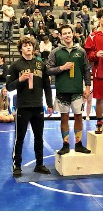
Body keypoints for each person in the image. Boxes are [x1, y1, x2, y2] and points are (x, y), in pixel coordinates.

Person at [6, 36, 53, 177]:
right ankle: (17, 166)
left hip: (38, 106)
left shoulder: (40, 64)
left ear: (33, 47)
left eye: (30, 45)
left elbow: (47, 86)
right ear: (21, 48)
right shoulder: (15, 66)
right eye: (25, 45)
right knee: (19, 137)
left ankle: (39, 164)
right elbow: (8, 87)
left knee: (39, 137)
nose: (28, 47)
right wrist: (20, 80)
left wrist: (49, 104)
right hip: (23, 107)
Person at [46, 24, 91, 155]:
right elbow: (48, 70)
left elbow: (86, 70)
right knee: (64, 117)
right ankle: (65, 144)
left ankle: (78, 144)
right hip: (62, 90)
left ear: (73, 34)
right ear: (60, 36)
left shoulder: (81, 51)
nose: (67, 35)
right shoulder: (55, 52)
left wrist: (87, 87)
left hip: (77, 90)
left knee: (78, 116)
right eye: (64, 33)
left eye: (69, 33)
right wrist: (62, 68)